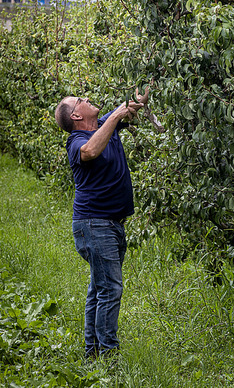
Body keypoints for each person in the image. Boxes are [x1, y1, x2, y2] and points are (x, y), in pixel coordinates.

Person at [54, 89, 148, 359]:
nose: (85, 99)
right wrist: (117, 115)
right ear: (75, 115)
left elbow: (134, 103)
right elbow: (91, 150)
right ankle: (109, 356)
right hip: (94, 225)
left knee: (100, 288)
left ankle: (92, 352)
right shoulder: (76, 141)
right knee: (110, 289)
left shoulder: (104, 125)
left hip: (110, 224)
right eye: (80, 101)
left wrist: (152, 78)